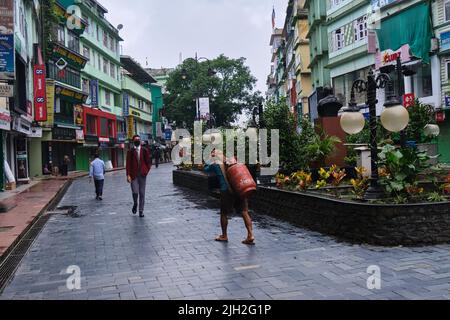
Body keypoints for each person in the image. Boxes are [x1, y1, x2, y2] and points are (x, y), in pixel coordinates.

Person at [204, 150, 255, 246]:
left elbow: (206, 169)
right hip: (238, 188)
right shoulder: (231, 161)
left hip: (226, 190)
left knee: (224, 213)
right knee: (244, 212)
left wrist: (209, 160)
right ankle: (250, 235)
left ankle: (224, 235)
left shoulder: (215, 164)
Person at [126, 135, 152, 218]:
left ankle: (141, 211)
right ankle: (135, 203)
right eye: (136, 139)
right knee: (135, 191)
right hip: (133, 175)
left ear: (140, 141)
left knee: (142, 193)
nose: (137, 140)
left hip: (142, 175)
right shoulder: (130, 151)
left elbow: (148, 162)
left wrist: (146, 171)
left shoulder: (144, 150)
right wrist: (128, 175)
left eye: (138, 139)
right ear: (133, 141)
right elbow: (128, 164)